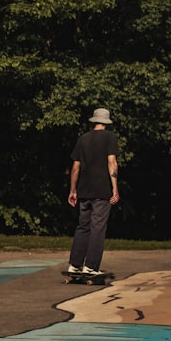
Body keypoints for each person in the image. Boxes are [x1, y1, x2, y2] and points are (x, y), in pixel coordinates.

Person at [66, 107, 120, 275]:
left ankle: (74, 264)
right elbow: (112, 162)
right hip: (102, 189)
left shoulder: (83, 139)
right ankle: (91, 266)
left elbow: (75, 168)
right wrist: (115, 188)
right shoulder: (110, 137)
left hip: (84, 190)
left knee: (83, 226)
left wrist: (73, 190)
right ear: (106, 122)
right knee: (98, 227)